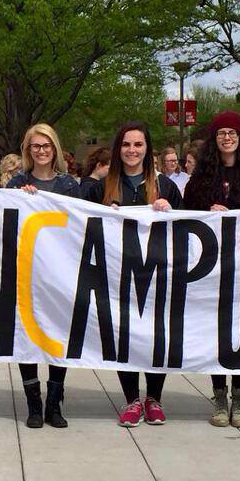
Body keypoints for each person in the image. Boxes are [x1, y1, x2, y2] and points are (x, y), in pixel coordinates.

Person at [83, 122, 182, 427]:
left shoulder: (167, 187)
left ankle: (154, 398)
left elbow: (189, 229)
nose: (132, 150)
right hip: (117, 277)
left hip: (157, 274)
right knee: (123, 336)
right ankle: (131, 399)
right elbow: (82, 228)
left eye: (138, 145)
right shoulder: (102, 188)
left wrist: (171, 211)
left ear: (147, 149)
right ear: (118, 149)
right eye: (126, 144)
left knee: (156, 336)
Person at [182, 111, 240, 428]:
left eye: (232, 133)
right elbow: (187, 209)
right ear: (214, 138)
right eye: (221, 133)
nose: (226, 138)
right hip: (212, 266)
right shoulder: (204, 173)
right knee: (216, 330)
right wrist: (208, 210)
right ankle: (219, 395)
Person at [4, 123, 79, 429]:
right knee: (27, 336)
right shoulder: (17, 184)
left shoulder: (69, 186)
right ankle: (33, 402)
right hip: (28, 273)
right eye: (35, 146)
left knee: (59, 336)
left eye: (47, 145)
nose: (42, 151)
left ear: (55, 149)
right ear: (28, 150)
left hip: (61, 274)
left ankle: (54, 402)